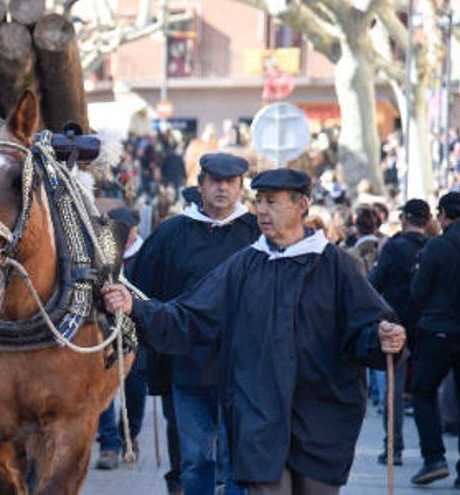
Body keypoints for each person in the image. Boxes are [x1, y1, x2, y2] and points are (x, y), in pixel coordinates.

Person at [102, 168, 406, 494]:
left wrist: (384, 339)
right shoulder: (245, 265)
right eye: (259, 201)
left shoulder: (334, 265)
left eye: (272, 202)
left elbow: (364, 329)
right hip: (258, 414)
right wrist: (138, 308)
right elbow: (190, 316)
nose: (261, 210)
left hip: (322, 415)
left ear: (301, 205)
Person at [131, 153, 258, 495]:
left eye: (230, 182)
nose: (222, 188)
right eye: (214, 181)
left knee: (238, 461)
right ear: (200, 185)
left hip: (243, 366)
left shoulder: (258, 232)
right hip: (187, 362)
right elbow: (142, 291)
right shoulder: (171, 233)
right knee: (195, 458)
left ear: (240, 187)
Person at [367, 199, 431, 467]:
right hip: (429, 325)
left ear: (404, 218)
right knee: (427, 393)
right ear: (428, 221)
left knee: (393, 389)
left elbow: (373, 285)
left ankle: (393, 447)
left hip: (398, 324)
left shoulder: (393, 247)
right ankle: (434, 456)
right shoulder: (433, 247)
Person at [409, 192, 460, 486]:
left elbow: (419, 291)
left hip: (438, 328)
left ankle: (434, 458)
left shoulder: (437, 247)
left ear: (443, 215)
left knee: (423, 391)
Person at [95, 206, 148, 470]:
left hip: (137, 332)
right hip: (104, 331)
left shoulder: (147, 253)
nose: (124, 236)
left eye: (128, 231)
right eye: (119, 231)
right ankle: (109, 445)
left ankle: (130, 435)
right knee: (102, 389)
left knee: (136, 389)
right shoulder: (99, 252)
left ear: (136, 230)